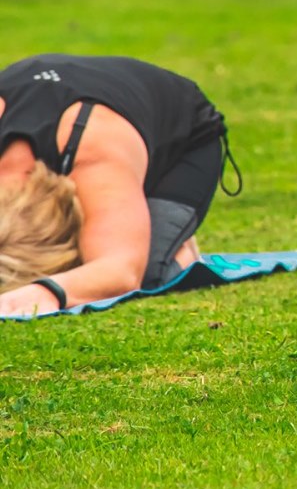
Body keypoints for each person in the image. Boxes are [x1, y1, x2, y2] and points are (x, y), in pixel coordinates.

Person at [0, 54, 235, 317]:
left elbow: (122, 270)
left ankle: (178, 242)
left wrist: (46, 290)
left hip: (184, 135)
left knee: (149, 271)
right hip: (77, 93)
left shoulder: (92, 151)